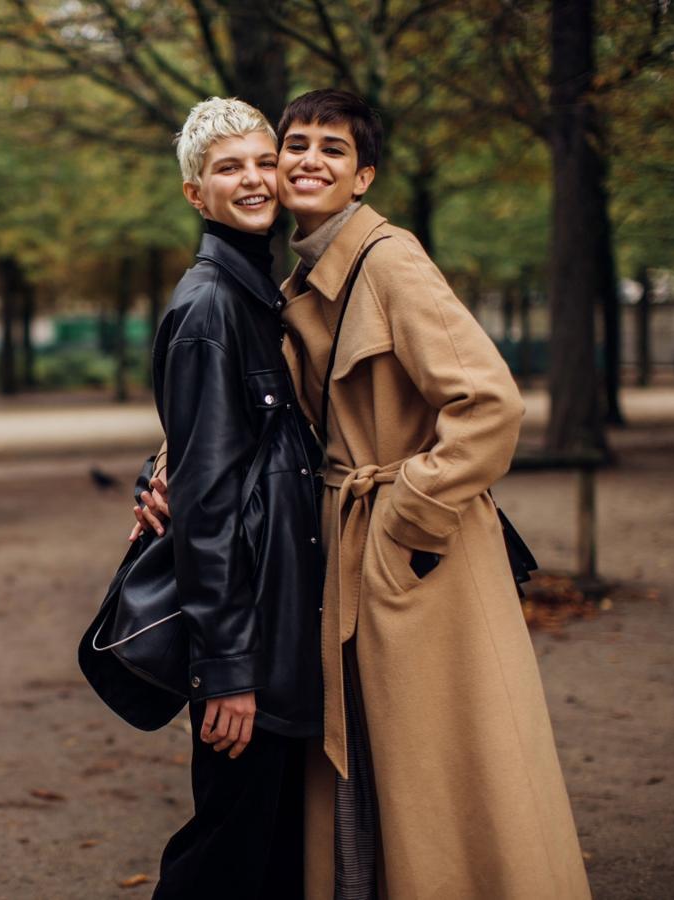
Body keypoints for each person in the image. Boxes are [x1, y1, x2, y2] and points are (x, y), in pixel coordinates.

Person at [140, 89, 592, 899]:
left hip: (416, 565)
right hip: (344, 558)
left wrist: (403, 519)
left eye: (334, 150)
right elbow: (256, 411)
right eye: (296, 143)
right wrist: (165, 465)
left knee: (444, 772)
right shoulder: (291, 283)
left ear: (364, 177)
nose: (306, 159)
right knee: (375, 777)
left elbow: (489, 405)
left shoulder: (388, 260)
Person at [143, 97, 326, 899]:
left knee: (276, 852)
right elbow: (209, 508)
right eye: (228, 168)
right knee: (225, 856)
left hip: (282, 618)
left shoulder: (264, 293)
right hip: (250, 636)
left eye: (262, 162)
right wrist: (228, 671)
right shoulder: (213, 306)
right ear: (195, 193)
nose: (253, 180)